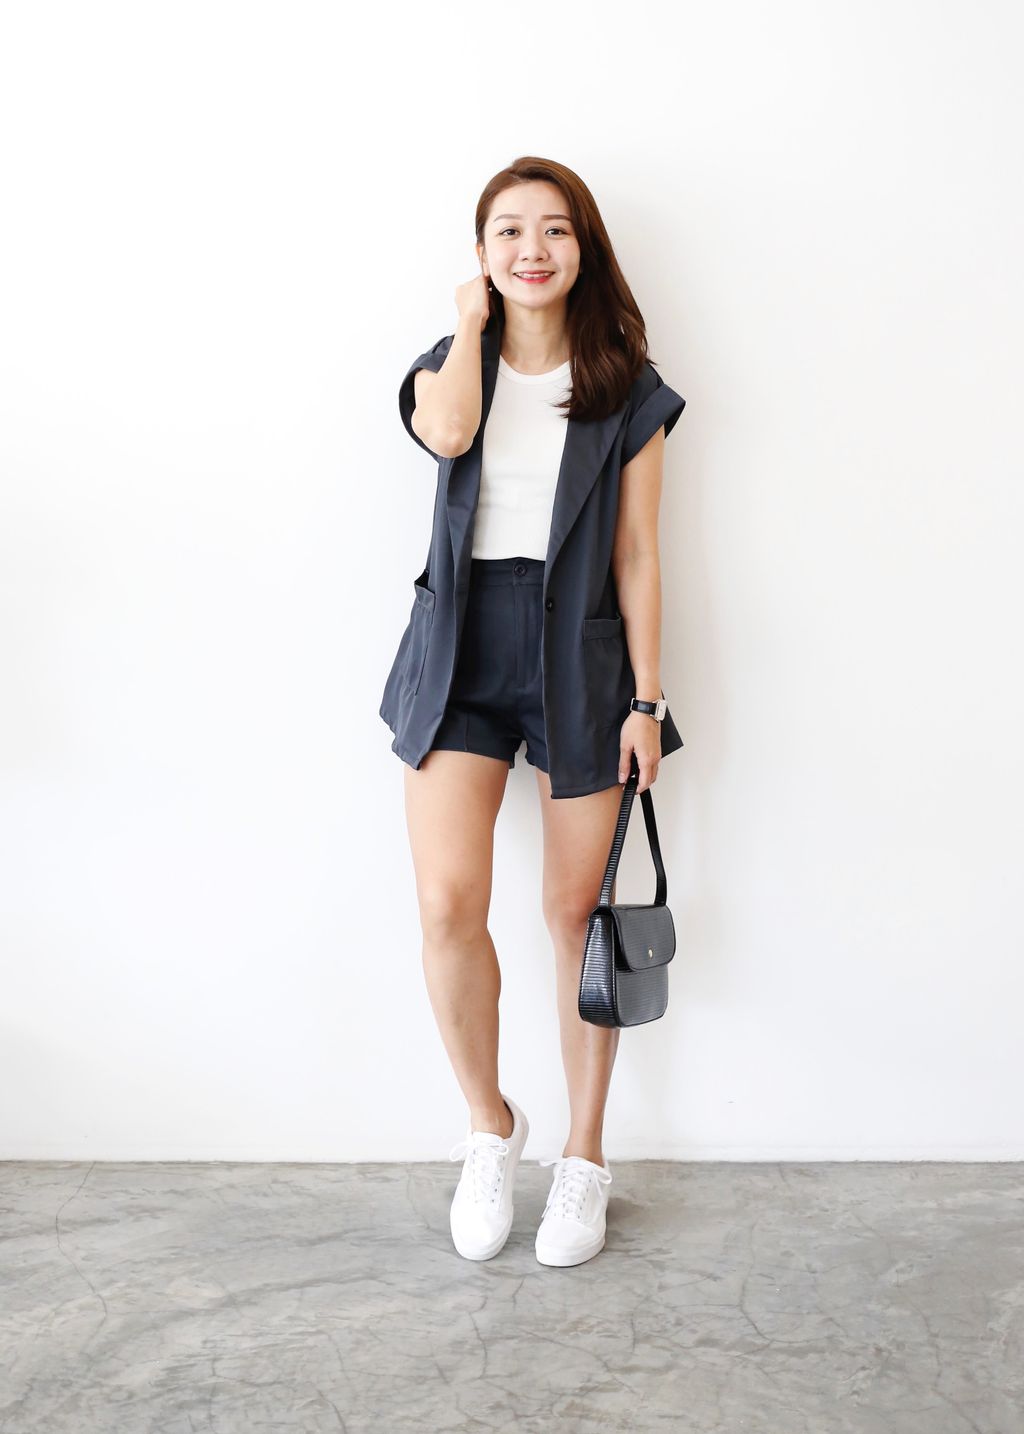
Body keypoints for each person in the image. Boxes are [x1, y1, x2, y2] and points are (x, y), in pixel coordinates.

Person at [380, 157, 687, 1267]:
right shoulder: (446, 366)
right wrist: (471, 326)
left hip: (581, 655)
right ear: (482, 253)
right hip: (460, 650)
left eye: (554, 229)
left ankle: (584, 1157)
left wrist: (646, 700)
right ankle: (489, 1127)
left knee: (573, 919)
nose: (531, 248)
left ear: (582, 248)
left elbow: (639, 554)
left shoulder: (625, 387)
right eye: (507, 230)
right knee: (446, 903)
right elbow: (448, 436)